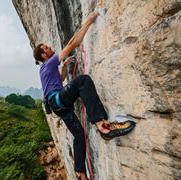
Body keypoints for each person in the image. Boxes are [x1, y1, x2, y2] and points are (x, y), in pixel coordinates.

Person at [33, 11, 135, 180]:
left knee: (79, 135)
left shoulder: (43, 70)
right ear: (44, 55)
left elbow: (59, 80)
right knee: (83, 81)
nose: (50, 48)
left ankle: (80, 173)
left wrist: (64, 67)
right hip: (58, 101)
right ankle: (102, 125)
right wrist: (88, 22)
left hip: (58, 106)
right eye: (47, 48)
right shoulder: (50, 62)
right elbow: (72, 44)